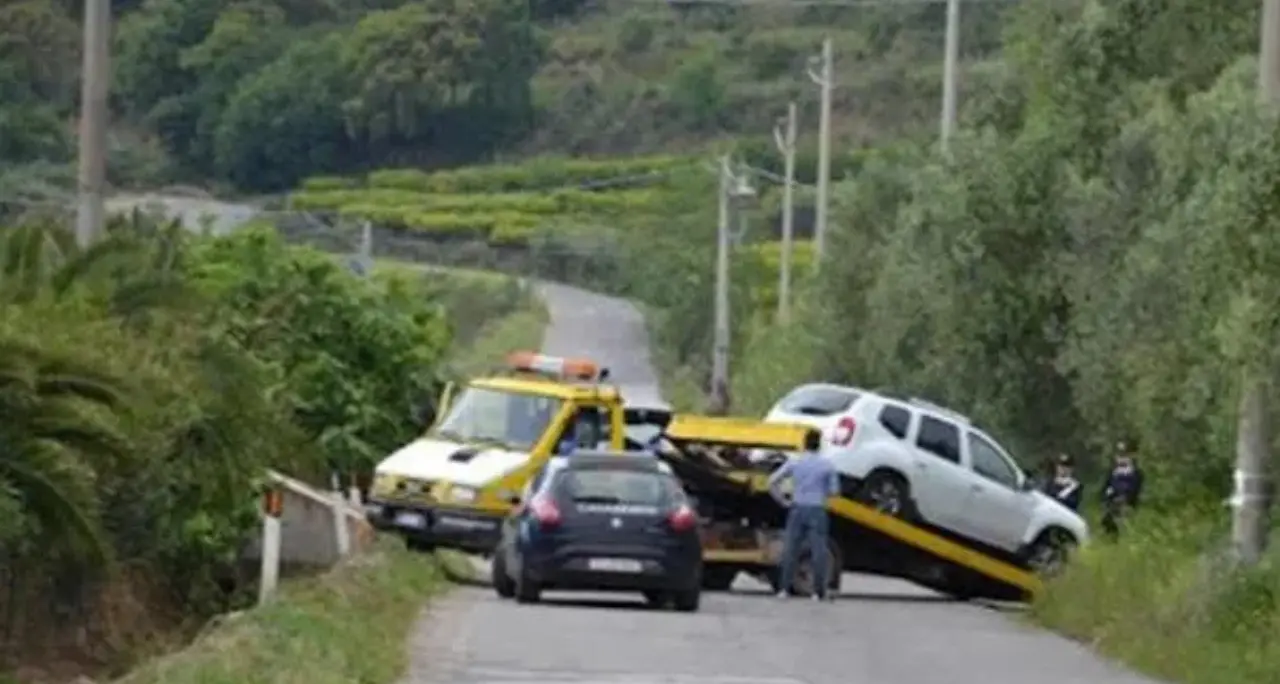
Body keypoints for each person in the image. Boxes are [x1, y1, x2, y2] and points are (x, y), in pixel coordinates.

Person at [766, 447, 840, 601]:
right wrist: (823, 491)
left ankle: (784, 590)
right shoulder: (827, 464)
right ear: (819, 445)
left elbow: (772, 481)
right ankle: (818, 592)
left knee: (791, 549)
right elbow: (834, 491)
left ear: (804, 445)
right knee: (818, 549)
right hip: (817, 509)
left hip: (797, 507)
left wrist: (783, 500)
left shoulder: (795, 462)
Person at [1100, 440, 1144, 538]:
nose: (1122, 459)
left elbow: (1136, 491)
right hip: (1111, 507)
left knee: (1126, 529)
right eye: (1120, 455)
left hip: (1127, 507)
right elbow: (1104, 489)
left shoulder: (1136, 473)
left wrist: (1126, 499)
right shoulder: (1112, 472)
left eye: (1125, 456)